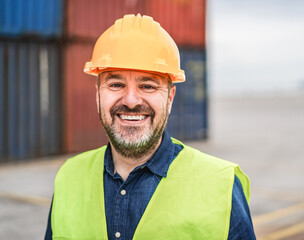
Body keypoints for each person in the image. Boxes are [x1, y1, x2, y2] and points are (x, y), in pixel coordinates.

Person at [45, 14, 255, 240]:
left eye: (147, 86)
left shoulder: (220, 184)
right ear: (97, 95)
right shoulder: (69, 177)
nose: (131, 100)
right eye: (116, 84)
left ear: (170, 98)